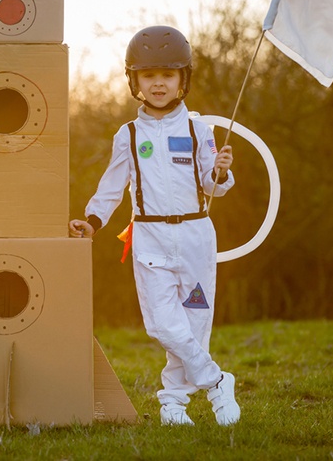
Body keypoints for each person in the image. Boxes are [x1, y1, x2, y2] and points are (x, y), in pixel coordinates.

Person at [68, 26, 240, 426]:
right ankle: (217, 382)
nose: (158, 84)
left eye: (168, 75)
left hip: (196, 236)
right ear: (134, 81)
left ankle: (173, 405)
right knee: (162, 322)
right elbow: (111, 187)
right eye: (149, 75)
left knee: (194, 325)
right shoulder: (128, 135)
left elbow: (216, 186)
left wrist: (220, 172)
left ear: (183, 79)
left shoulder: (200, 130)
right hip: (149, 238)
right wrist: (92, 222)